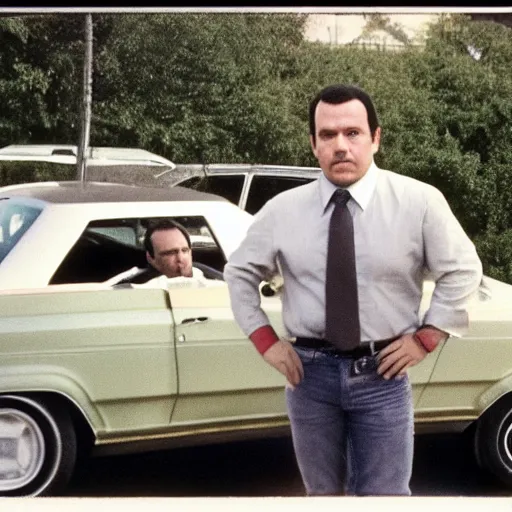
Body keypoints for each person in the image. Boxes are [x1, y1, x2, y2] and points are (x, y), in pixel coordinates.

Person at [223, 84, 483, 496]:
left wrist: (427, 337)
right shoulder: (282, 210)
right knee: (323, 495)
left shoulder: (419, 203)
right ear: (313, 144)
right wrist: (265, 340)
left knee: (385, 496)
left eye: (353, 133)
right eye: (327, 135)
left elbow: (464, 269)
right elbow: (238, 272)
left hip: (383, 375)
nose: (340, 146)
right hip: (309, 376)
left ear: (375, 138)